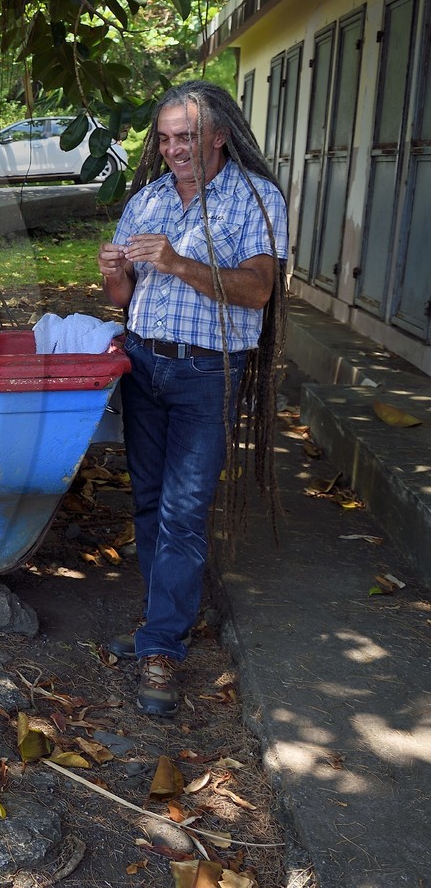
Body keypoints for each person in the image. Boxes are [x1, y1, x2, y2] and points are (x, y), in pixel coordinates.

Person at [97, 80, 288, 716]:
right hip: (144, 365)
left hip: (208, 374)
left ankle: (161, 649)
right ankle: (163, 626)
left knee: (182, 510)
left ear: (218, 136)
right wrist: (113, 275)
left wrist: (178, 263)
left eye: (186, 137)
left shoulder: (256, 200)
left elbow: (258, 291)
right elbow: (121, 301)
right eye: (166, 138)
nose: (175, 149)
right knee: (149, 503)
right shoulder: (147, 200)